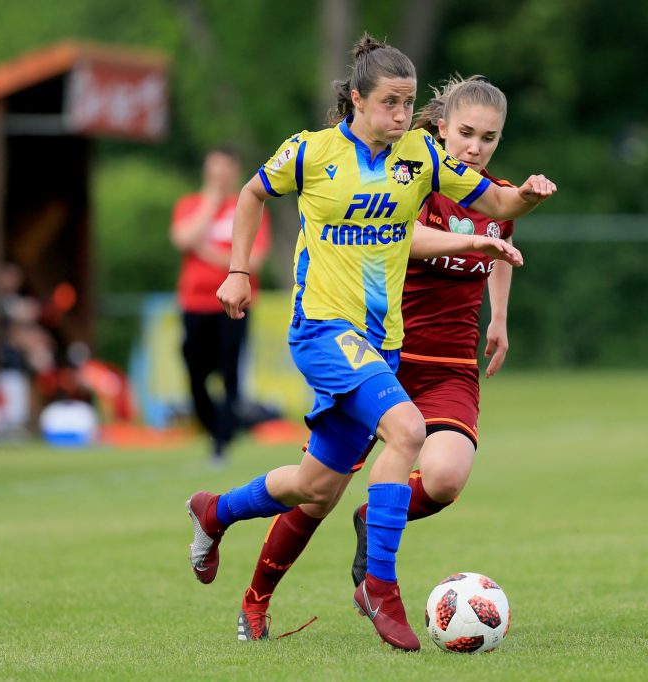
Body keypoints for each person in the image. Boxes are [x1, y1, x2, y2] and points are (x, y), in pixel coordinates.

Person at [186, 34, 555, 652]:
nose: (402, 114)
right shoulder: (312, 153)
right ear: (356, 99)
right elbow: (253, 192)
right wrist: (239, 269)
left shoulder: (419, 158)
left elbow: (496, 202)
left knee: (315, 486)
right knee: (407, 432)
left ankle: (214, 513)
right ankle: (380, 587)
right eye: (390, 102)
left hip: (385, 344)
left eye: (409, 103)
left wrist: (526, 198)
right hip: (326, 331)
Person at [171, 145, 272, 462]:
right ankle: (212, 423)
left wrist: (207, 252)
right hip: (194, 303)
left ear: (235, 171)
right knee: (194, 369)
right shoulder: (190, 204)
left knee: (230, 373)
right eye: (214, 168)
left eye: (225, 168)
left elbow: (254, 261)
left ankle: (221, 441)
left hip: (234, 303)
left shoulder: (250, 206)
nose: (219, 175)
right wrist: (210, 203)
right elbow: (182, 239)